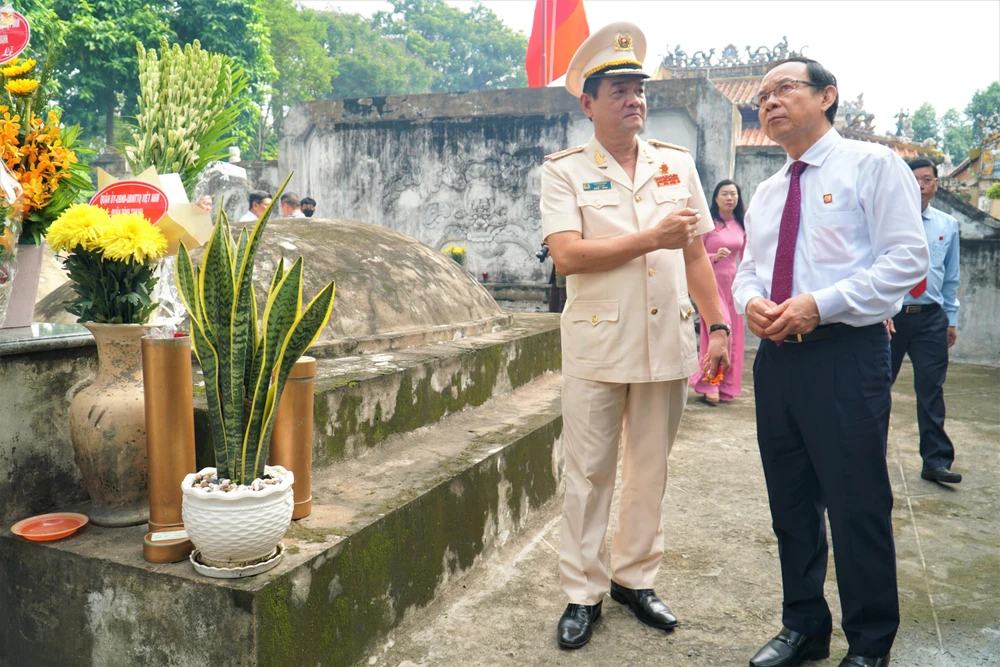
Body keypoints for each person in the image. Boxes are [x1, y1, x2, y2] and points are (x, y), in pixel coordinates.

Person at [732, 57, 928, 667]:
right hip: (779, 360)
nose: (769, 102)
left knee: (856, 504)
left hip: (847, 353)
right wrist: (750, 303)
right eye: (762, 95)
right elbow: (747, 270)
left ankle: (870, 644)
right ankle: (804, 627)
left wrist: (822, 303)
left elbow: (905, 261)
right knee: (789, 503)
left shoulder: (873, 166)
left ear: (827, 96)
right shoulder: (766, 191)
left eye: (785, 88)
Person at [542, 22, 731, 650]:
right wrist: (650, 239)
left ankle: (634, 579)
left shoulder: (675, 166)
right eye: (618, 89)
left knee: (650, 470)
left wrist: (720, 325)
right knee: (589, 473)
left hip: (668, 342)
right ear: (587, 102)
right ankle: (581, 592)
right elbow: (568, 256)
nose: (633, 99)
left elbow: (698, 255)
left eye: (639, 89)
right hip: (598, 344)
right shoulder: (565, 173)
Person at [887, 159, 962, 484]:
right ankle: (866, 455)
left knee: (931, 389)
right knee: (876, 387)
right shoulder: (885, 221)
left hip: (931, 317)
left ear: (936, 184)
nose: (920, 186)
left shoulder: (949, 224)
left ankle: (936, 461)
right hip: (890, 317)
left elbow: (951, 277)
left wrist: (951, 318)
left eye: (927, 179)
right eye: (913, 179)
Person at [689, 180, 746, 404]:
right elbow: (694, 255)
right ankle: (710, 382)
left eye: (733, 194)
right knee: (720, 332)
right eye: (724, 194)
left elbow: (748, 257)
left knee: (735, 336)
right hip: (711, 285)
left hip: (733, 285)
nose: (729, 198)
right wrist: (714, 257)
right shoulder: (708, 224)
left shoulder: (741, 225)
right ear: (715, 198)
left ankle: (727, 384)